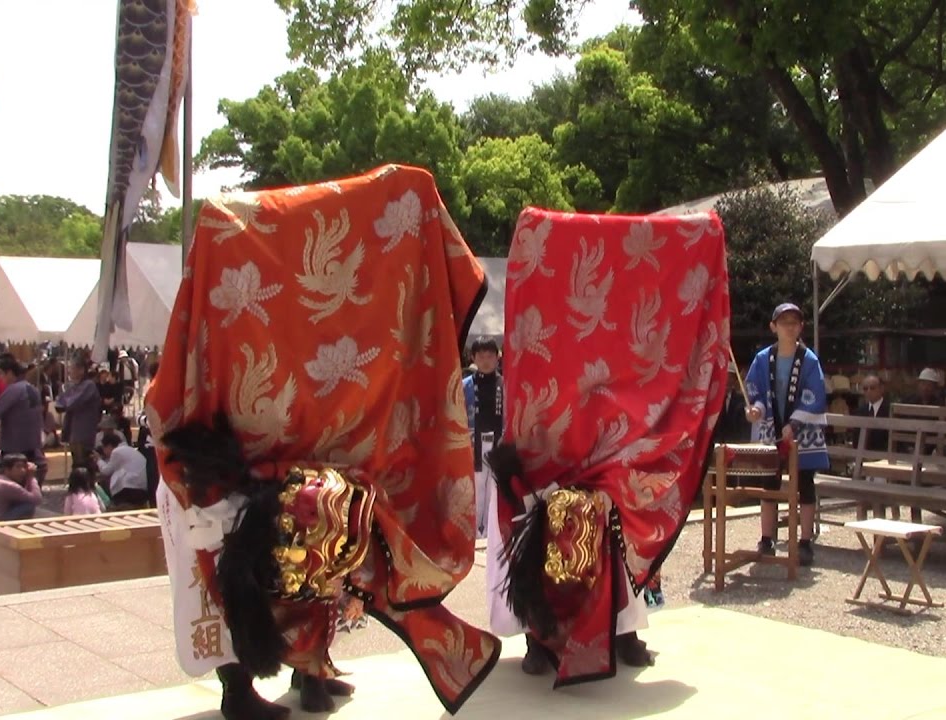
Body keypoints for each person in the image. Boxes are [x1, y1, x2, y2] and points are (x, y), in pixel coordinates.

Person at [148, 166, 498, 718]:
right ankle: (237, 691)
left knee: (319, 550)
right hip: (220, 455)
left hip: (281, 448)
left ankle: (310, 672)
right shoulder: (223, 264)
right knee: (234, 567)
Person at [487, 207, 729, 683]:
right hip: (551, 427)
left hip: (615, 434)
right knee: (540, 525)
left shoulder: (621, 321)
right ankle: (540, 635)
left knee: (623, 530)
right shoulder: (548, 302)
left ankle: (624, 633)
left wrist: (703, 233)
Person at [745, 303, 830, 567]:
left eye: (794, 322)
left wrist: (794, 423)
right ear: (774, 327)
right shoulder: (762, 359)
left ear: (801, 327)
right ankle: (767, 538)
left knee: (805, 482)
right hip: (772, 428)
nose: (789, 327)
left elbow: (815, 395)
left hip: (801, 431)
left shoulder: (809, 360)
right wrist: (756, 410)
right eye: (784, 322)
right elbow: (754, 391)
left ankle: (805, 541)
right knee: (769, 483)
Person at [0, 355, 47, 483]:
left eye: (1, 374)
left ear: (10, 373)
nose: (0, 378)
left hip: (16, 445)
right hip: (32, 442)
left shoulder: (15, 389)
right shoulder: (32, 389)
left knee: (14, 484)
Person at [462, 338, 502, 538]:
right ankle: (474, 529)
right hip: (474, 441)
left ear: (497, 358)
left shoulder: (504, 384)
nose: (486, 361)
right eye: (481, 356)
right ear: (473, 357)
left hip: (497, 441)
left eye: (490, 356)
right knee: (476, 486)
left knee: (493, 486)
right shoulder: (465, 386)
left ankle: (488, 529)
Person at [55, 359, 101, 470]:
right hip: (73, 430)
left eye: (72, 368)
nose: (70, 371)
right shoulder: (73, 386)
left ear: (81, 370)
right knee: (76, 462)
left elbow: (72, 402)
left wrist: (65, 402)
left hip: (83, 431)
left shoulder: (88, 385)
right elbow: (60, 403)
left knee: (83, 463)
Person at [93, 431, 148, 508]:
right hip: (141, 489)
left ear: (108, 446)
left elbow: (106, 471)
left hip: (128, 489)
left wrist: (98, 459)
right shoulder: (130, 450)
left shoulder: (117, 451)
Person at [857, 374, 891, 450]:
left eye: (872, 388)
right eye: (865, 389)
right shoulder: (861, 410)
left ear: (881, 389)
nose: (868, 391)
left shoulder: (889, 411)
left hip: (884, 456)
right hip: (862, 456)